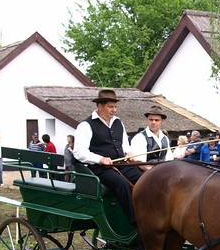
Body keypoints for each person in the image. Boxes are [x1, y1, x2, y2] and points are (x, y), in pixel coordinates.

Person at [73, 89, 143, 227]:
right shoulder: (86, 125)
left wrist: (128, 153)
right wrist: (100, 159)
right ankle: (135, 222)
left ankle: (149, 212)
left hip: (121, 164)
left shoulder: (118, 122)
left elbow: (125, 144)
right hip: (100, 168)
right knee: (122, 184)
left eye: (115, 107)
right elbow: (79, 152)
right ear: (100, 106)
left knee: (144, 179)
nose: (114, 110)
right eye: (111, 107)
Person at [130, 105, 172, 171]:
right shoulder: (140, 138)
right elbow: (140, 164)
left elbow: (169, 160)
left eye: (156, 120)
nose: (153, 122)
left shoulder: (165, 138)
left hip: (164, 172)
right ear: (147, 120)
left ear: (162, 121)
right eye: (151, 119)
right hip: (145, 175)